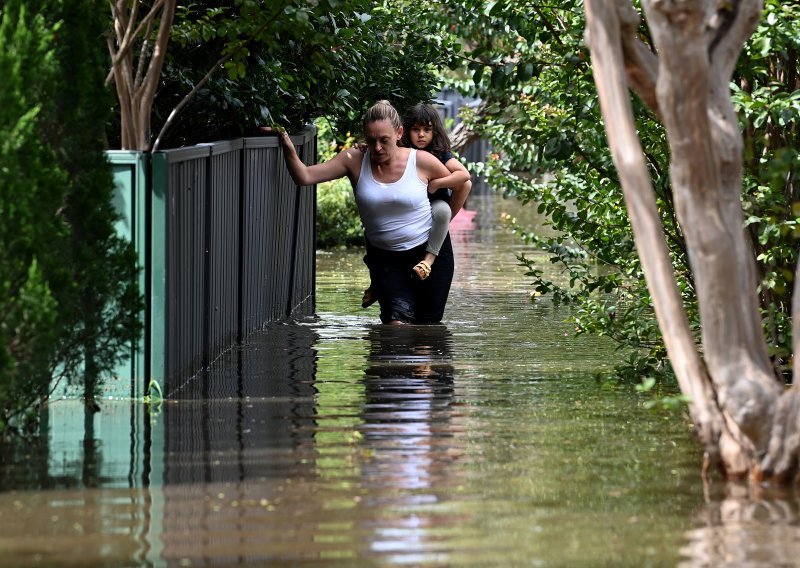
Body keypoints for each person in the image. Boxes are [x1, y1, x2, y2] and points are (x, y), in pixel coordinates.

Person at [266, 100, 467, 325]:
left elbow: (461, 185)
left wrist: (448, 218)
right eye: (371, 141)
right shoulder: (354, 159)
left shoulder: (421, 160)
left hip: (429, 256)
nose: (378, 148)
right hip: (386, 259)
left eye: (384, 140)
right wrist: (285, 141)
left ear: (399, 133)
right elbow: (304, 176)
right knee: (396, 327)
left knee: (426, 331)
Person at [360, 103, 472, 308]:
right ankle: (376, 283)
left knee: (442, 211)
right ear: (405, 131)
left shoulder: (439, 153)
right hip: (400, 216)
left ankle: (428, 260)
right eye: (416, 129)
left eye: (427, 130)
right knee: (373, 230)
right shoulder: (401, 151)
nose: (421, 135)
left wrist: (438, 183)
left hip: (433, 205)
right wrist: (364, 148)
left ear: (434, 132)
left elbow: (464, 178)